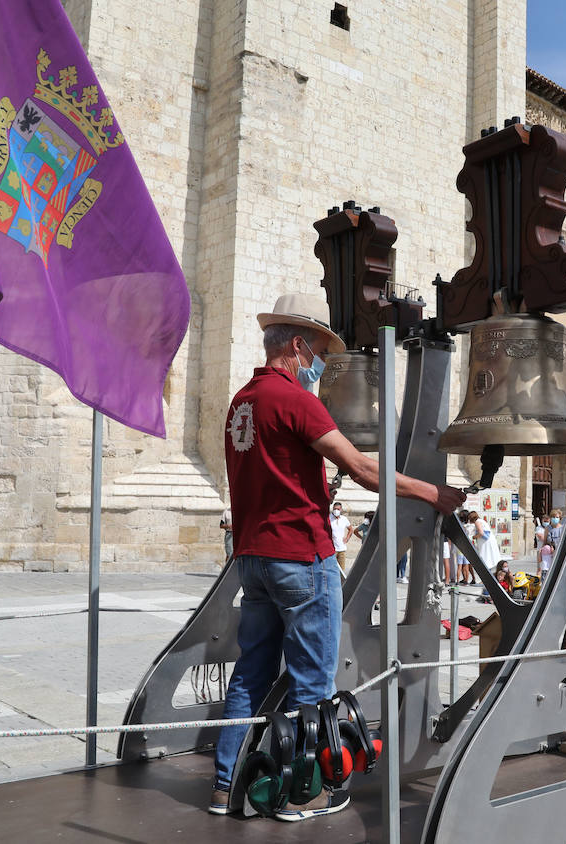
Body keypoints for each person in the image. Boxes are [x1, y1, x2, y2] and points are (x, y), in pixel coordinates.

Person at [212, 295, 464, 819]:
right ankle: (304, 793)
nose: (323, 366)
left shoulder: (242, 400)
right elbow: (361, 468)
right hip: (301, 558)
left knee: (250, 675)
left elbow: (269, 474)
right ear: (298, 347)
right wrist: (430, 492)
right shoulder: (294, 399)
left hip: (253, 558)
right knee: (312, 683)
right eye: (321, 353)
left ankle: (226, 785)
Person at [470, 510, 501, 575]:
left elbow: (481, 533)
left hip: (486, 543)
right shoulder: (481, 521)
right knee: (488, 559)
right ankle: (489, 575)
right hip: (488, 542)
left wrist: (474, 537)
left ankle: (487, 576)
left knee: (485, 559)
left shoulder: (477, 522)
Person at [329, 502, 354, 575]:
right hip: (332, 549)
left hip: (342, 549)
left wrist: (347, 538)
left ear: (341, 510)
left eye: (338, 509)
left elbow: (351, 529)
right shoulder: (328, 518)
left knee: (341, 571)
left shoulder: (344, 519)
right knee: (331, 570)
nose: (336, 510)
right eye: (334, 509)